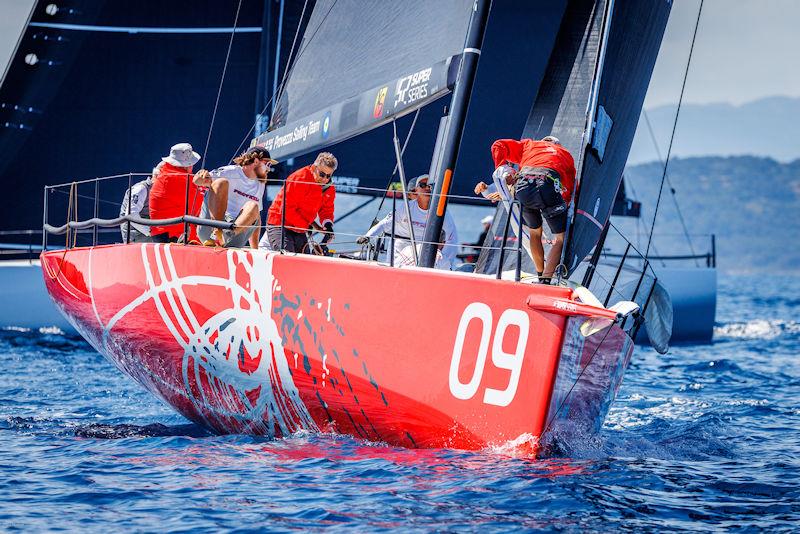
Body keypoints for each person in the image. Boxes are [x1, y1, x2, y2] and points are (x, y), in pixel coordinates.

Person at [475, 135, 575, 282]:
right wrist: (563, 207)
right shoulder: (565, 154)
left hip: (523, 188)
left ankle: (540, 275)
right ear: (557, 145)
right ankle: (546, 281)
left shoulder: (529, 145)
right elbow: (570, 187)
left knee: (535, 233)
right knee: (560, 239)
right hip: (547, 185)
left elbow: (498, 145)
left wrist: (502, 168)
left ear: (542, 142)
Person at [359, 174, 458, 269]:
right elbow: (385, 224)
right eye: (423, 185)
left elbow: (451, 239)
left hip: (425, 249)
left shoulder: (442, 212)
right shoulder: (406, 207)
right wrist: (368, 236)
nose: (427, 188)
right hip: (400, 246)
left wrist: (446, 262)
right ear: (416, 190)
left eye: (430, 186)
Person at [195, 146, 277, 248]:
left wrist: (255, 250)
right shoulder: (230, 171)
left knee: (253, 206)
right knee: (221, 182)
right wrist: (199, 176)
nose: (269, 169)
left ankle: (225, 236)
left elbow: (257, 217)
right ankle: (217, 232)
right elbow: (198, 181)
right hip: (209, 231)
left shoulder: (260, 184)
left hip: (233, 236)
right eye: (267, 164)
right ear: (256, 161)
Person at [264, 152, 338, 253]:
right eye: (322, 174)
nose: (325, 179)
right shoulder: (299, 178)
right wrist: (306, 225)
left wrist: (328, 225)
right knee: (287, 257)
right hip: (280, 223)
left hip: (300, 228)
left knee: (304, 261)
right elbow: (286, 209)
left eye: (328, 176)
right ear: (314, 168)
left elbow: (326, 209)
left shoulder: (329, 188)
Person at [148, 143, 206, 243]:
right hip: (173, 235)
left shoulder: (164, 174)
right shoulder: (179, 179)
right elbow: (201, 205)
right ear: (188, 164)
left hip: (161, 233)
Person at [119, 162, 161, 243]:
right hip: (136, 233)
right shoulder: (141, 189)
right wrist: (151, 232)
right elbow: (131, 215)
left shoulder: (159, 191)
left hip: (150, 229)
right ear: (156, 176)